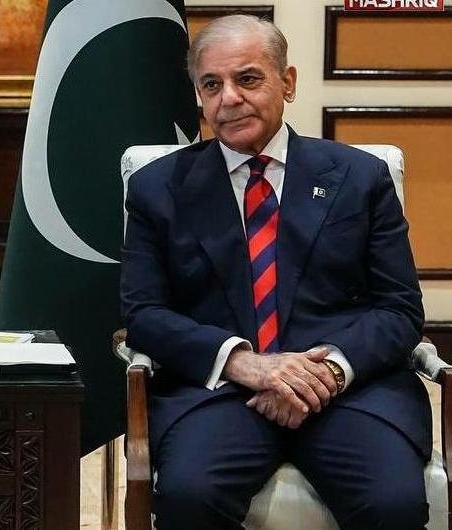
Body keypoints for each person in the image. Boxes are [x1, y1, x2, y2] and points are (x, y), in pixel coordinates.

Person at [120, 14, 428, 530]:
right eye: (211, 85)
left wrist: (327, 372)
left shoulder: (359, 177)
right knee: (189, 497)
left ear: (287, 82)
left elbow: (400, 310)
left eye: (247, 78)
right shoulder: (158, 188)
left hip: (348, 391)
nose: (229, 98)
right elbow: (144, 314)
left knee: (393, 504)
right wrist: (244, 363)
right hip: (218, 393)